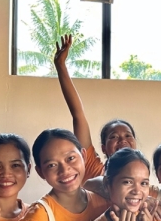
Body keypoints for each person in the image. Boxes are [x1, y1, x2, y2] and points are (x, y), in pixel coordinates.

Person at [53, 34, 137, 181]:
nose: (122, 140)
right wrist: (61, 66)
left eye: (128, 136)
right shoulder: (94, 170)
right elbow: (78, 115)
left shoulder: (143, 178)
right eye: (114, 137)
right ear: (104, 148)